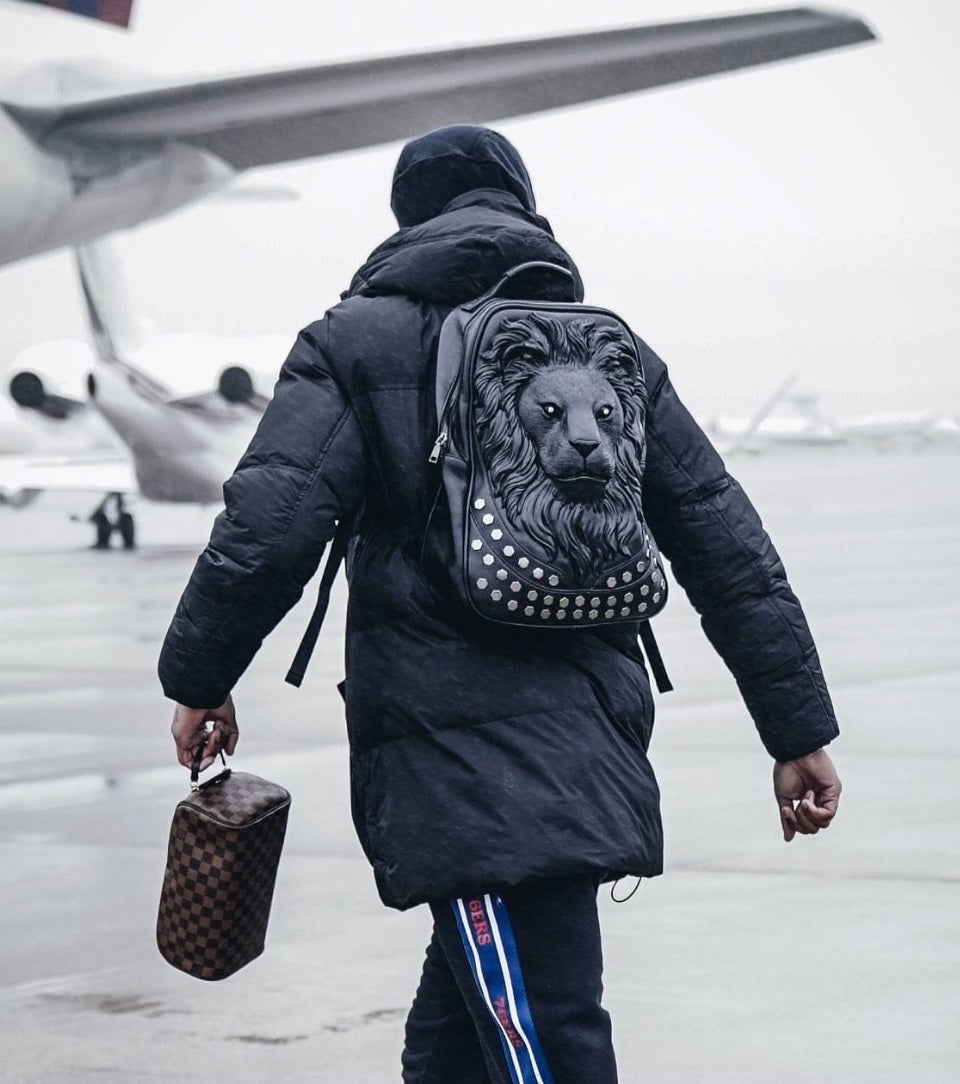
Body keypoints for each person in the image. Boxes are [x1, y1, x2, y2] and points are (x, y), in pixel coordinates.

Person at [159, 125, 841, 1084]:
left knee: (545, 1043)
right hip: (582, 743)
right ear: (523, 207)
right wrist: (796, 730)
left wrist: (200, 676)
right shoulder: (612, 353)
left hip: (459, 764)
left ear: (409, 217)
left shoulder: (355, 340)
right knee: (454, 1047)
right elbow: (726, 541)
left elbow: (267, 526)